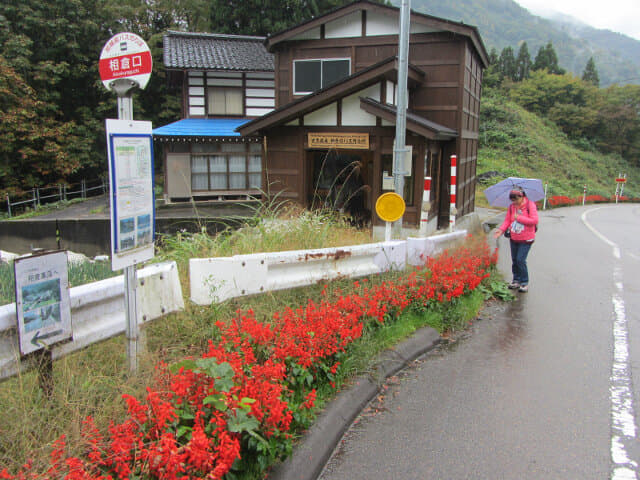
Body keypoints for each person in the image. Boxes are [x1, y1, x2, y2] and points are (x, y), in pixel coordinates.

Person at [493, 186, 539, 292]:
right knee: (514, 260)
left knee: (520, 260)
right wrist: (501, 230)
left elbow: (534, 220)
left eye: (516, 200)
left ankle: (524, 282)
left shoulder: (530, 205)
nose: (515, 203)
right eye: (512, 201)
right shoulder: (511, 207)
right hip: (514, 237)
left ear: (522, 197)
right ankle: (516, 280)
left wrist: (518, 217)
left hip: (526, 238)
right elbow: (507, 221)